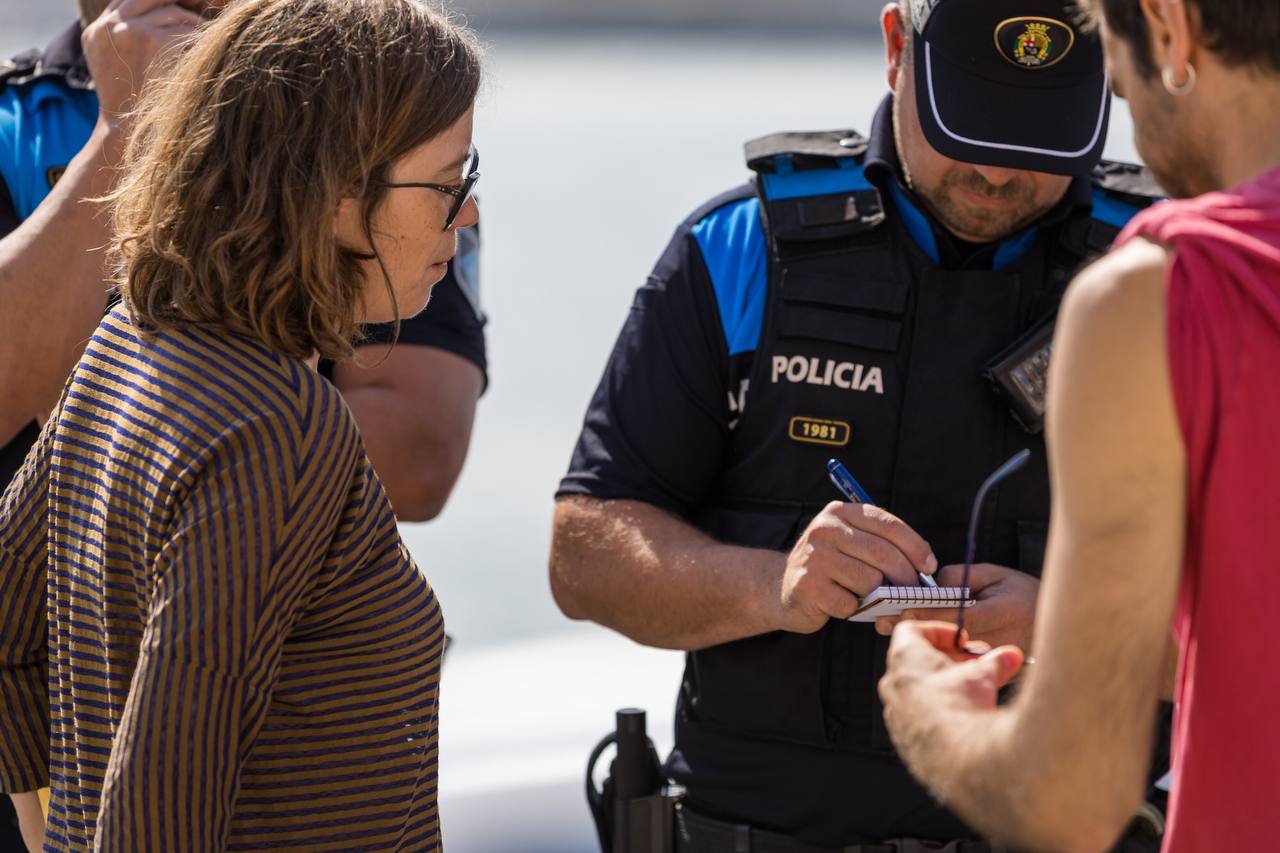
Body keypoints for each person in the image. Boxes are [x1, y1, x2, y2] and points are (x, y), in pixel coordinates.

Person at [551, 0, 1171, 849]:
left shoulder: (1171, 274)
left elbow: (1254, 617)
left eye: (1034, 139)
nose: (995, 173)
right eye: (976, 122)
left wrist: (1075, 628)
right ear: (894, 48)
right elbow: (583, 552)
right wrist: (772, 584)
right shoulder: (740, 246)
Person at [0, 0, 481, 848]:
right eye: (449, 185)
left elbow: (7, 641)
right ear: (335, 194)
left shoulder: (125, 338)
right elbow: (160, 815)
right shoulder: (278, 426)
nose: (468, 217)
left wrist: (57, 834)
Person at [878, 0, 1280, 850]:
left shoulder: (1158, 293)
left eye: (1114, 64)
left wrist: (927, 714)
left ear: (1169, 27)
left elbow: (1067, 800)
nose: (1123, 103)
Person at [0, 0, 488, 522]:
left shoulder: (370, 104)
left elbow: (418, 471)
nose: (465, 209)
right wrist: (122, 132)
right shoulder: (16, 121)